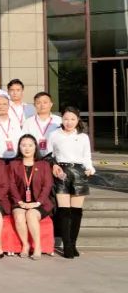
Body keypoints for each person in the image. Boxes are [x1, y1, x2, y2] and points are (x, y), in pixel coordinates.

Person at [49, 107, 94, 259]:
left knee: (76, 211)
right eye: (66, 119)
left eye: (73, 119)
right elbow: (48, 154)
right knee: (64, 211)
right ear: (62, 119)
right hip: (61, 172)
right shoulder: (54, 134)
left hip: (79, 173)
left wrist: (90, 168)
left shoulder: (83, 136)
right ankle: (66, 245)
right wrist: (53, 165)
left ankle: (73, 243)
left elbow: (87, 156)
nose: (69, 122)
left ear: (78, 120)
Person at [9, 134, 54, 260]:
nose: (27, 148)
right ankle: (25, 245)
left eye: (30, 145)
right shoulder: (13, 164)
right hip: (20, 201)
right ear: (19, 147)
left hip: (40, 203)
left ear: (35, 147)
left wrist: (37, 203)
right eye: (23, 145)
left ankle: (37, 246)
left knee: (31, 214)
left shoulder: (44, 164)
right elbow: (11, 185)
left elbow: (47, 185)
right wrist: (20, 202)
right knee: (19, 216)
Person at [22, 91, 61, 157]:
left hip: (54, 157)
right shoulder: (28, 122)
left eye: (45, 102)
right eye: (38, 103)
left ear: (51, 104)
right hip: (33, 156)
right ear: (34, 105)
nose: (42, 105)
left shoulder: (59, 121)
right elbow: (23, 140)